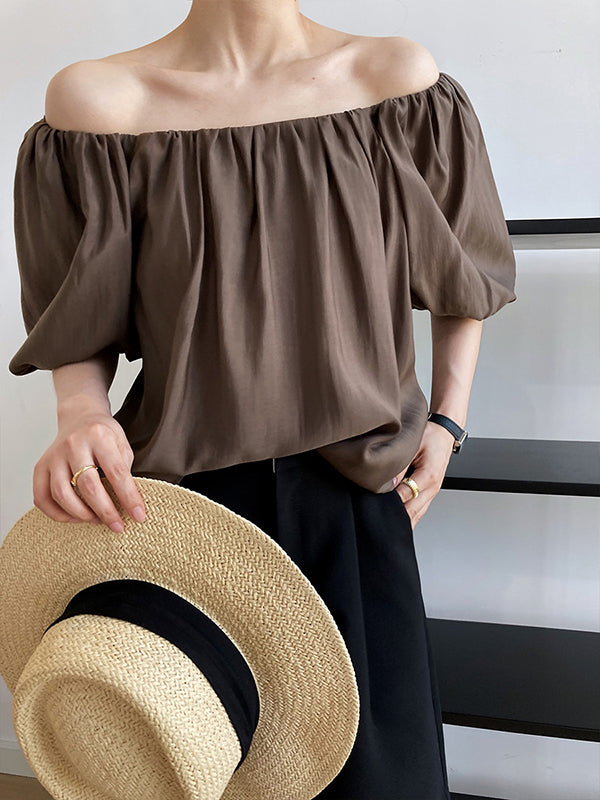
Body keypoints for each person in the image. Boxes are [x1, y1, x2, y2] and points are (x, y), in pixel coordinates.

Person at [8, 1, 517, 798]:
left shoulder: (393, 81)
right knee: (199, 773)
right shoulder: (99, 105)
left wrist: (448, 421)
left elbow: (465, 274)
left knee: (386, 782)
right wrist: (80, 412)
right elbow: (75, 311)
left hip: (357, 501)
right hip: (181, 521)